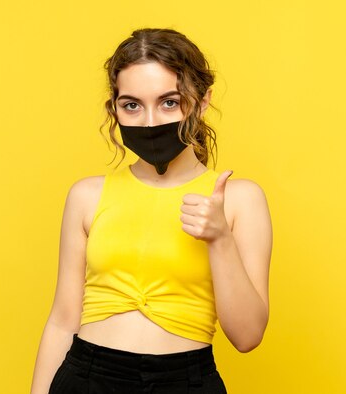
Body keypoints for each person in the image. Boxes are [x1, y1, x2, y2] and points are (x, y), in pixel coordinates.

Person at [30, 28, 273, 394]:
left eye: (169, 103)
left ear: (202, 102)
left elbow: (248, 336)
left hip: (185, 381)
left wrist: (220, 238)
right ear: (115, 109)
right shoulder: (86, 196)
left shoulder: (240, 200)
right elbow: (63, 321)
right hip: (86, 377)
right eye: (132, 105)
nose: (149, 122)